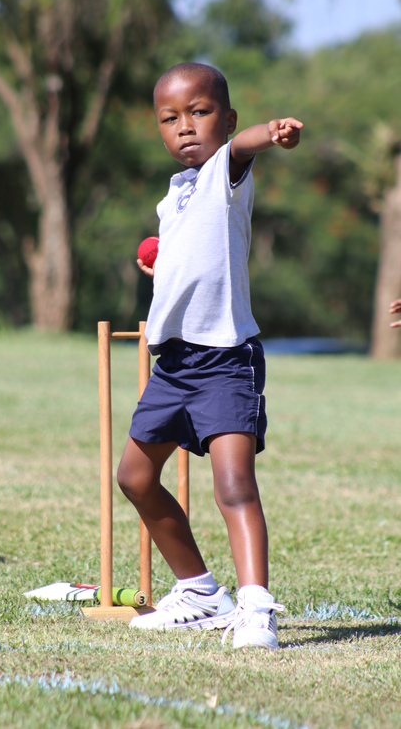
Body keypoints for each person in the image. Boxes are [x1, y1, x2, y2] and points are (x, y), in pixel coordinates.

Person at [117, 62, 302, 650]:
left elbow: (245, 149)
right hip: (172, 364)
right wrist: (158, 261)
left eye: (199, 113)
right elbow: (188, 255)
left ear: (227, 119)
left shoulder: (228, 169)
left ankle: (254, 610)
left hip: (224, 359)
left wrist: (270, 133)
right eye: (170, 119)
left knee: (232, 484)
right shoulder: (174, 194)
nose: (186, 128)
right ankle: (199, 591)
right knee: (135, 477)